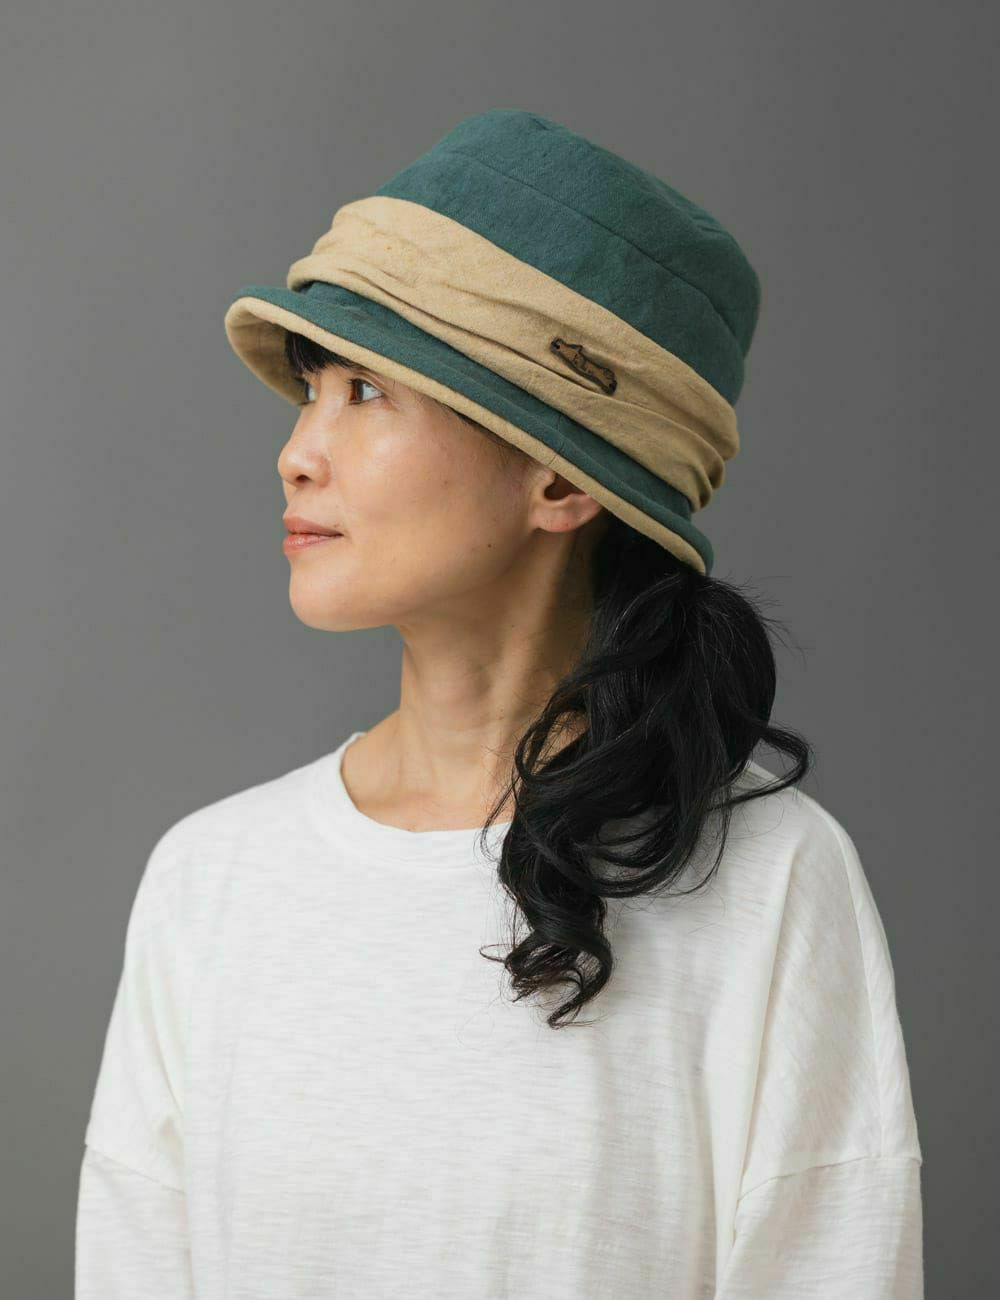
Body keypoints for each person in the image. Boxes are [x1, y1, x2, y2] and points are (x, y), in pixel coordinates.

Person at [75, 109, 924, 1298]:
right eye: (310, 388)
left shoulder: (770, 878)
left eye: (365, 389)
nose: (297, 451)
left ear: (561, 478)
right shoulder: (209, 880)